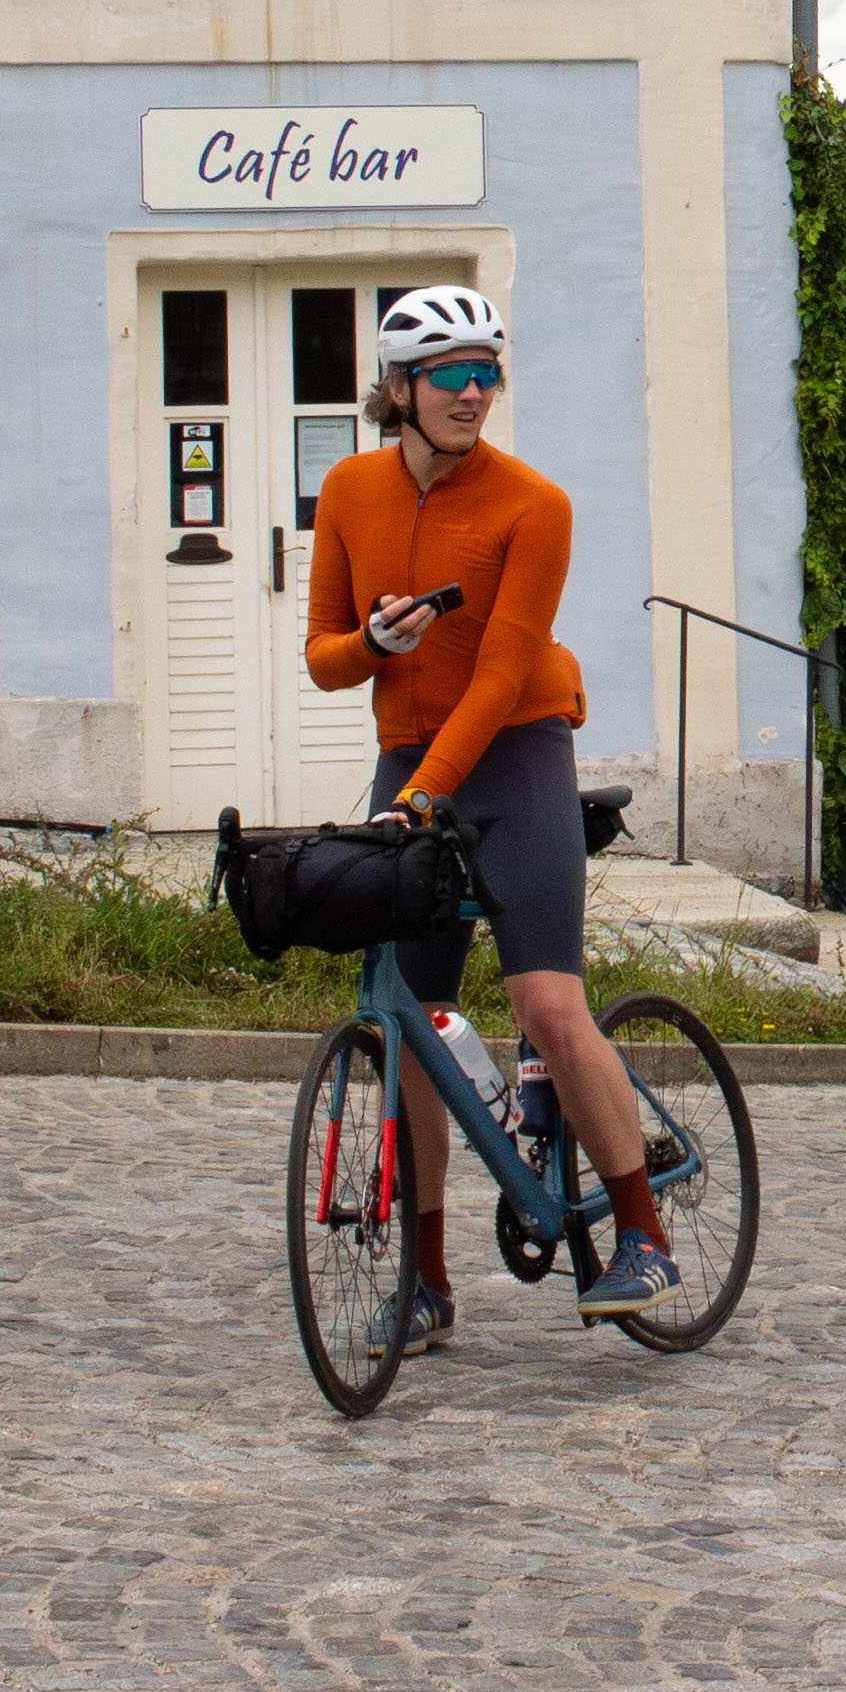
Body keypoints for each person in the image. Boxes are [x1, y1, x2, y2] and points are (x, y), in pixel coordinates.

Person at [301, 283, 678, 1356]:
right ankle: (425, 1285)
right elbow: (324, 658)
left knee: (545, 1000)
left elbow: (505, 671)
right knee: (414, 1023)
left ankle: (644, 1237)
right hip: (411, 758)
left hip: (515, 753)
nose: (474, 393)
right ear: (399, 389)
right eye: (452, 375)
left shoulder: (532, 505)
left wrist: (424, 796)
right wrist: (374, 646)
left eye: (488, 374)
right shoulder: (348, 490)